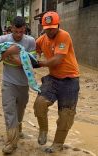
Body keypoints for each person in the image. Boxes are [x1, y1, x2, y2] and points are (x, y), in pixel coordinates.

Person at [34, 11, 80, 153]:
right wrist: (32, 57)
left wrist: (40, 64)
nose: (50, 31)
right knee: (39, 104)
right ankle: (43, 130)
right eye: (47, 28)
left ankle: (58, 143)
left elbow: (57, 60)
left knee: (66, 115)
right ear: (43, 27)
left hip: (70, 80)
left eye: (52, 28)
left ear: (58, 25)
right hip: (53, 78)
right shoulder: (41, 40)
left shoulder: (64, 36)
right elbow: (33, 51)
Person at [0, 16, 36, 154]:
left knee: (20, 110)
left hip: (24, 84)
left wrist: (16, 60)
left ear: (24, 28)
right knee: (9, 112)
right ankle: (11, 142)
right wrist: (10, 52)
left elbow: (31, 64)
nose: (18, 35)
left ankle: (18, 128)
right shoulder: (3, 40)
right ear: (11, 28)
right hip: (8, 82)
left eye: (21, 32)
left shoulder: (30, 41)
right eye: (16, 31)